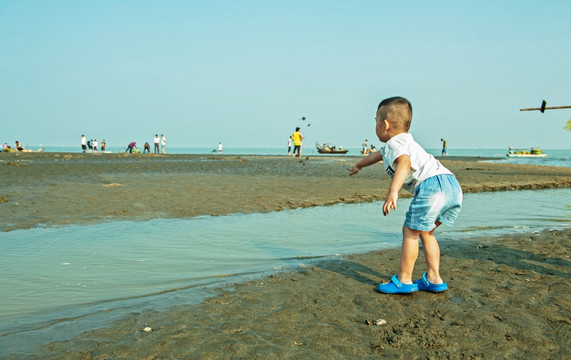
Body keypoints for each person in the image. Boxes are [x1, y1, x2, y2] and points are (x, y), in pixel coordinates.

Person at [348, 96, 462, 294]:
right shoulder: (404, 141)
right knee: (426, 232)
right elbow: (377, 155)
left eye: (375, 120)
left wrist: (393, 192)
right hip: (452, 186)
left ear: (385, 124)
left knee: (410, 231)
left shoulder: (395, 144)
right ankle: (434, 278)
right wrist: (359, 164)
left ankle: (405, 280)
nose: (375, 124)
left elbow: (405, 163)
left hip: (432, 187)